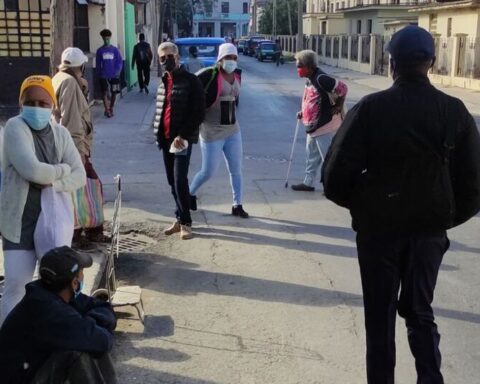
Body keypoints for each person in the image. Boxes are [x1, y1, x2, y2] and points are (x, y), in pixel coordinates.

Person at [322, 26, 480, 384]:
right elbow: (473, 185)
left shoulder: (371, 109)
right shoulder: (453, 112)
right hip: (429, 234)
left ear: (390, 63)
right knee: (420, 310)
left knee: (379, 320)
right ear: (432, 63)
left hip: (378, 234)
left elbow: (333, 177)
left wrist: (366, 206)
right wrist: (442, 216)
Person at [0, 75, 86, 324]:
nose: (36, 108)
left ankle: (52, 343)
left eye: (42, 103)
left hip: (54, 222)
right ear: (20, 102)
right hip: (20, 223)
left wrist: (54, 182)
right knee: (16, 286)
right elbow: (33, 171)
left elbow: (79, 175)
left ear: (53, 105)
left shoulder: (60, 133)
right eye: (30, 102)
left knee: (58, 286)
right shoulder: (16, 127)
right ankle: (9, 345)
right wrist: (61, 170)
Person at [0, 246, 117, 383]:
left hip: (32, 369)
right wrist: (90, 328)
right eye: (81, 272)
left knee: (88, 342)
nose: (83, 276)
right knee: (79, 352)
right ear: (74, 283)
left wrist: (90, 326)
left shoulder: (52, 291)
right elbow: (103, 341)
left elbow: (103, 307)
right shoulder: (48, 311)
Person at [53, 47, 108, 248]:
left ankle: (79, 231)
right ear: (81, 66)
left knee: (77, 189)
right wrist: (79, 153)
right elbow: (71, 120)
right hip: (73, 146)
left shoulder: (61, 79)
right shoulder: (68, 82)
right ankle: (88, 231)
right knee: (91, 185)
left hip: (67, 145)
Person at [153, 42, 205, 240]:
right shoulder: (163, 82)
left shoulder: (191, 81)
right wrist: (158, 134)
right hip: (165, 140)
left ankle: (186, 223)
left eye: (170, 56)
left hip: (181, 139)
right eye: (162, 57)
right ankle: (179, 216)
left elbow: (198, 112)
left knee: (179, 180)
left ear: (177, 57)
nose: (166, 60)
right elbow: (161, 111)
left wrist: (182, 135)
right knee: (171, 182)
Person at [190, 43, 249, 219]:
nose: (231, 61)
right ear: (220, 59)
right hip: (212, 131)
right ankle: (190, 193)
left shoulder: (237, 76)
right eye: (227, 58)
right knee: (208, 171)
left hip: (232, 130)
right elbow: (192, 88)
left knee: (236, 170)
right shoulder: (209, 75)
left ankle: (237, 204)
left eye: (234, 58)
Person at [291, 49, 347, 192]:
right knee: (311, 156)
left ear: (309, 66)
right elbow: (311, 99)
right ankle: (308, 183)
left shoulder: (321, 78)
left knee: (328, 159)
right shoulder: (310, 79)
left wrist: (339, 105)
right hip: (313, 126)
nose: (297, 69)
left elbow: (343, 88)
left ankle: (334, 186)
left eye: (299, 66)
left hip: (325, 125)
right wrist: (303, 113)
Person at [96, 29, 123, 118]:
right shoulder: (99, 51)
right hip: (103, 75)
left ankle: (111, 107)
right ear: (102, 39)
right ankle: (107, 110)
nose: (106, 40)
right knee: (104, 93)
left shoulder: (115, 50)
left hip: (114, 75)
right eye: (105, 39)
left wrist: (117, 71)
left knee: (114, 93)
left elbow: (119, 62)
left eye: (108, 38)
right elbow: (98, 64)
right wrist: (99, 74)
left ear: (110, 38)